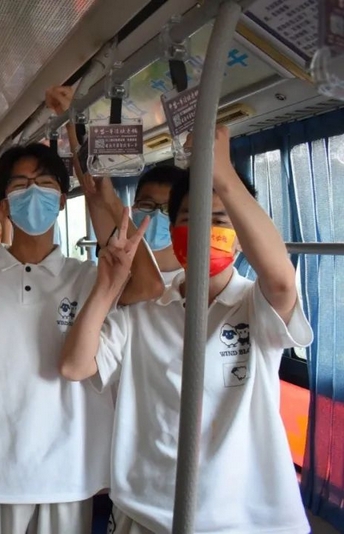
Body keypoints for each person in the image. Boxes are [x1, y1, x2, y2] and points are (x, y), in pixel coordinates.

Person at [59, 126, 313, 534]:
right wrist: (107, 288)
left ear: (241, 240)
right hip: (146, 511)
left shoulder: (256, 306)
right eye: (190, 219)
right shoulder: (145, 308)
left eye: (218, 220)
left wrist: (222, 174)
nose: (202, 230)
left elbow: (282, 282)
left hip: (244, 519)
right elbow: (75, 366)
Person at [0, 143, 162, 534]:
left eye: (45, 183)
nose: (34, 192)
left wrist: (104, 198)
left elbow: (149, 286)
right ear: (2, 206)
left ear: (62, 201)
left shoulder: (88, 277)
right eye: (21, 185)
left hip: (66, 475)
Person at [130, 166, 184, 285]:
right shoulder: (116, 273)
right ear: (133, 208)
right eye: (147, 204)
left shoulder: (195, 281)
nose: (156, 214)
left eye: (168, 208)